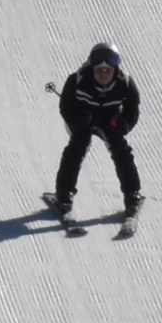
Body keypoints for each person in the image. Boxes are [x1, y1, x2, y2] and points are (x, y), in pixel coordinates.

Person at [53, 43, 142, 217]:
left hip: (110, 119)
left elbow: (133, 110)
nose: (104, 74)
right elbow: (65, 106)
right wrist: (76, 121)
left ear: (115, 70)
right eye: (100, 70)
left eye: (108, 70)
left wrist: (124, 124)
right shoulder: (77, 80)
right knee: (77, 147)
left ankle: (132, 193)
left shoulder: (125, 83)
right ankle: (64, 193)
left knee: (121, 150)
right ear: (92, 67)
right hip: (84, 118)